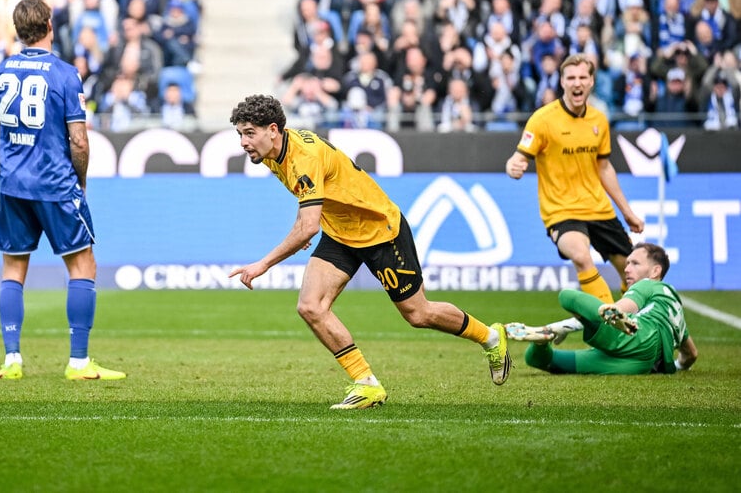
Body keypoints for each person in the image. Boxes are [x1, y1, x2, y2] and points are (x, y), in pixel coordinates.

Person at [228, 94, 511, 410]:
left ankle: (490, 338)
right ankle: (366, 384)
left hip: (379, 230)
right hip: (340, 233)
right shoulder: (271, 153)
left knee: (418, 314)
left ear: (273, 129)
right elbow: (311, 201)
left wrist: (264, 263)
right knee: (310, 306)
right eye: (240, 134)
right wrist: (308, 221)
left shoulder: (302, 157)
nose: (243, 142)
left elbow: (308, 225)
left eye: (249, 133)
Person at [0, 0, 125, 382]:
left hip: (14, 184)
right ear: (49, 25)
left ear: (18, 30)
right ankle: (78, 362)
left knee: (13, 269)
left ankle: (12, 359)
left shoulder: (0, 72)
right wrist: (80, 181)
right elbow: (78, 141)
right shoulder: (64, 74)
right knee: (83, 265)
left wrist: (10, 165)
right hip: (54, 182)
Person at [505, 54, 645, 307]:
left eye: (582, 77)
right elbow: (519, 157)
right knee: (581, 256)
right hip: (561, 211)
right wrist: (514, 166)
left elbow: (603, 168)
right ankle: (608, 321)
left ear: (592, 81)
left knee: (633, 271)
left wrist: (627, 212)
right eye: (571, 78)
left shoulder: (599, 120)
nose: (576, 83)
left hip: (598, 209)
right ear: (562, 82)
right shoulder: (543, 119)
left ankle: (631, 321)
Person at [506, 243, 698, 375]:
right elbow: (691, 355)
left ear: (656, 271)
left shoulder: (649, 284)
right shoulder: (676, 312)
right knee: (541, 361)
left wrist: (568, 325)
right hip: (640, 364)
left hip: (636, 335)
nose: (626, 268)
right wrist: (676, 366)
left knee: (567, 296)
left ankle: (559, 328)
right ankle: (542, 342)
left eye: (635, 263)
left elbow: (619, 309)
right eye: (628, 262)